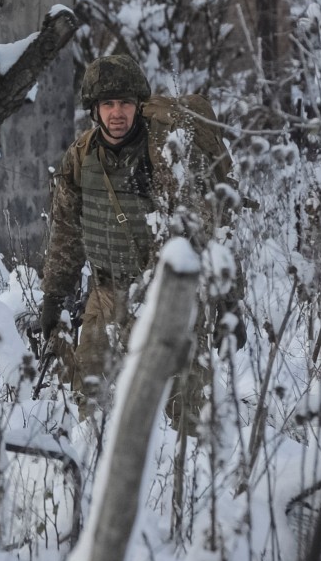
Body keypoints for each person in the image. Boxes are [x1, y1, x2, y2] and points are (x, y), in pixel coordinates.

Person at [40, 54, 237, 420]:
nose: (117, 113)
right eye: (108, 104)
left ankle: (183, 475)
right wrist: (54, 297)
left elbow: (208, 229)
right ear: (94, 110)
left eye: (126, 103)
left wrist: (227, 299)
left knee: (185, 413)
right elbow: (66, 231)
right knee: (91, 412)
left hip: (169, 297)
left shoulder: (166, 151)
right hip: (105, 297)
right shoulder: (81, 156)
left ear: (138, 105)